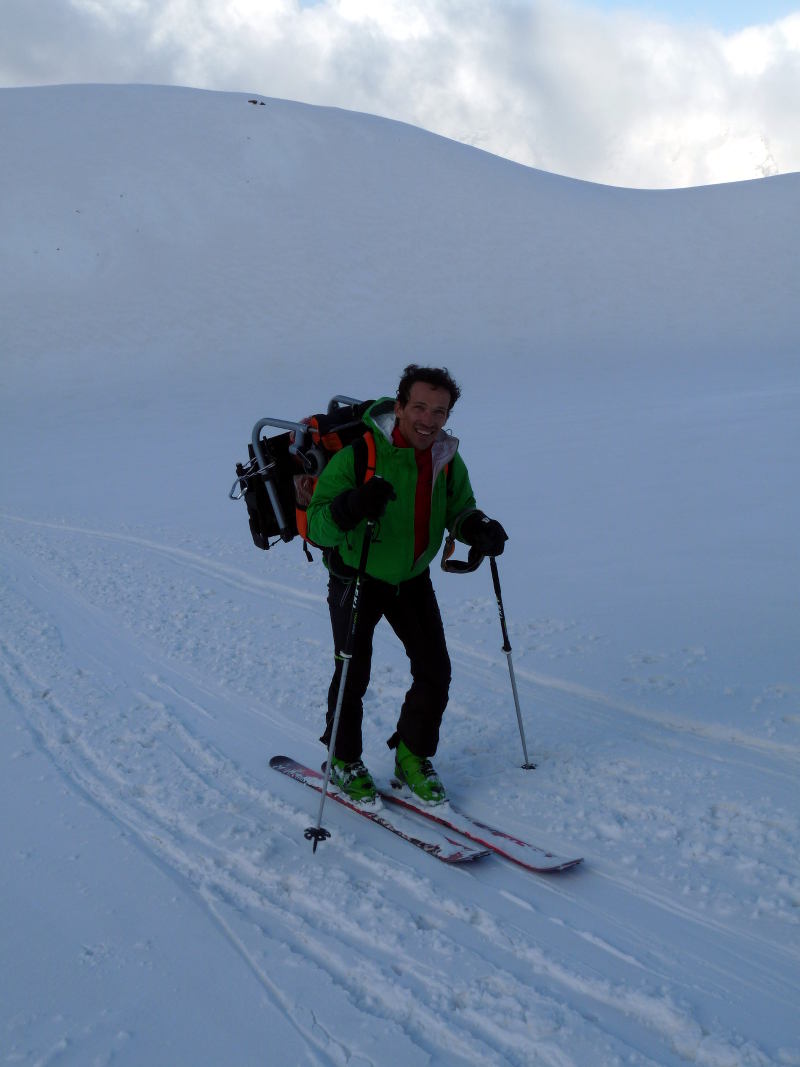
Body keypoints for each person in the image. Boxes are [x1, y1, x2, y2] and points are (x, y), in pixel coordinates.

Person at [306, 365, 508, 805]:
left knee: (435, 669)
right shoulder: (359, 456)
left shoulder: (445, 458)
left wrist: (477, 527)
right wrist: (351, 506)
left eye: (439, 411)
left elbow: (459, 507)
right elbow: (318, 528)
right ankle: (342, 759)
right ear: (399, 408)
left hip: (412, 578)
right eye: (419, 407)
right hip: (357, 575)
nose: (429, 419)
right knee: (353, 672)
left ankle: (412, 755)